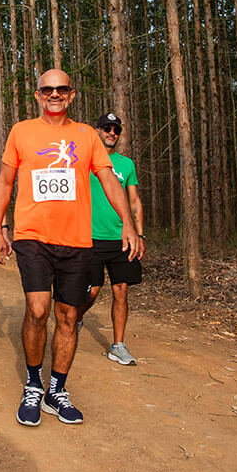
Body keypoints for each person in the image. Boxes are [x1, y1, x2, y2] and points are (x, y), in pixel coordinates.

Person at [0, 69, 143, 427]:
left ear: (71, 95)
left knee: (69, 317)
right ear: (38, 94)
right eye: (48, 90)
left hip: (76, 240)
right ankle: (32, 383)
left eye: (61, 90)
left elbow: (108, 179)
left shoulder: (86, 135)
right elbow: (5, 182)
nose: (54, 94)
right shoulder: (21, 132)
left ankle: (56, 390)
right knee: (38, 308)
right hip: (33, 235)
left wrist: (129, 225)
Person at [77, 112, 144, 365]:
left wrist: (139, 233)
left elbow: (134, 201)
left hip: (121, 238)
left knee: (121, 291)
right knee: (92, 291)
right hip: (90, 237)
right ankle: (76, 318)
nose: (111, 133)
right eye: (106, 128)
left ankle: (118, 345)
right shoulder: (85, 162)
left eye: (116, 130)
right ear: (97, 131)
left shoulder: (126, 165)